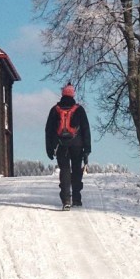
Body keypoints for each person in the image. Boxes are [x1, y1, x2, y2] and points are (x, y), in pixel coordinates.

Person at [45, 82, 91, 210]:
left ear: (62, 94)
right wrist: (87, 149)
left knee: (64, 170)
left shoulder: (55, 110)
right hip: (77, 145)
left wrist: (49, 148)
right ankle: (76, 198)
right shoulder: (79, 109)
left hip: (61, 145)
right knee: (76, 170)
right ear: (73, 95)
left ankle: (66, 200)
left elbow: (48, 130)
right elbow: (86, 129)